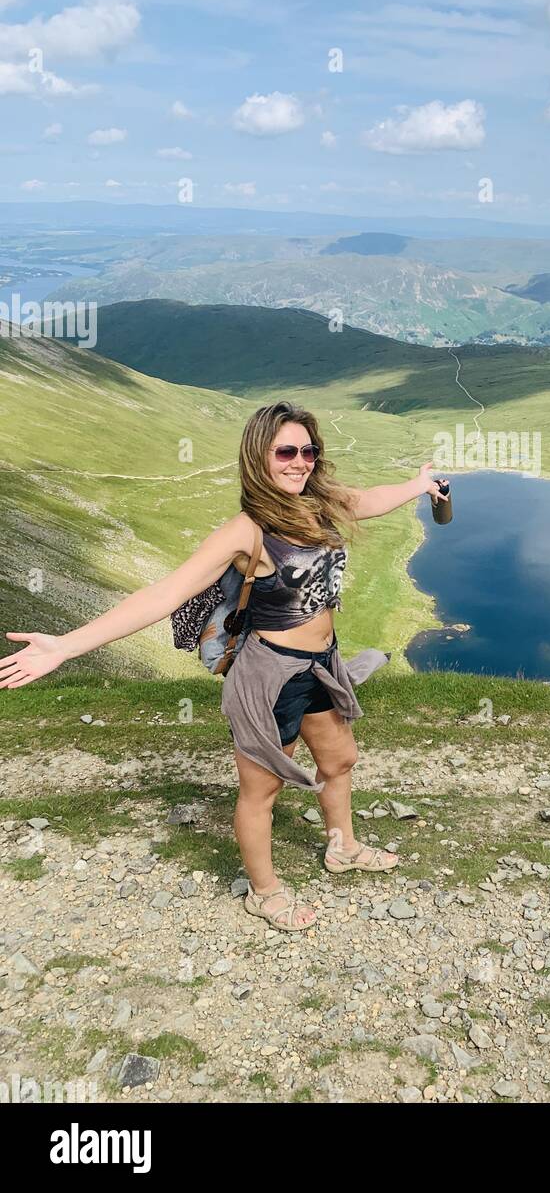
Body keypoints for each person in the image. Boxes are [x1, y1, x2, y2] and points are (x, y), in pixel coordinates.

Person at [0, 400, 447, 933]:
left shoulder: (320, 503)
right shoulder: (246, 531)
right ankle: (264, 892)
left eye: (308, 451)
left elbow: (369, 500)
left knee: (340, 760)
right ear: (259, 456)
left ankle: (343, 849)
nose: (299, 462)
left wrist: (418, 485)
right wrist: (65, 646)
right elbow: (164, 593)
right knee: (263, 791)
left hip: (322, 663)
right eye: (286, 451)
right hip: (271, 675)